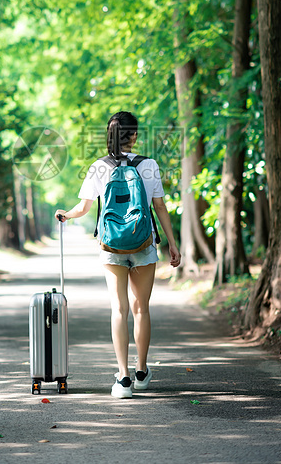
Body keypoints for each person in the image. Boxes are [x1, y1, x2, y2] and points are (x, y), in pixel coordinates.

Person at [55, 111, 181, 398]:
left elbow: (84, 208)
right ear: (134, 135)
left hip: (111, 245)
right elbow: (159, 208)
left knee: (119, 309)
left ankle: (123, 378)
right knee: (141, 309)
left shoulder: (99, 167)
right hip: (143, 243)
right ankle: (141, 370)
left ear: (109, 135)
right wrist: (172, 244)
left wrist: (65, 215)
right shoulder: (148, 165)